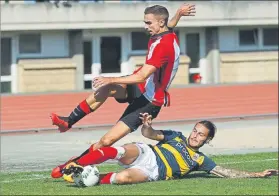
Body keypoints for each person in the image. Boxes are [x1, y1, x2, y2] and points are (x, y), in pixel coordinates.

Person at [51, 3, 196, 178]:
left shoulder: (163, 45)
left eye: (149, 23)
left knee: (107, 141)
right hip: (142, 87)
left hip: (149, 101)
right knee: (107, 89)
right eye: (145, 22)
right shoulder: (165, 32)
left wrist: (110, 78)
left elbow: (142, 75)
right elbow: (171, 25)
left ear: (160, 22)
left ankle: (73, 164)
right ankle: (69, 121)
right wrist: (179, 14)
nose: (145, 26)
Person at [60, 113, 278, 185]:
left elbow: (225, 172)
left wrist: (256, 174)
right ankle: (77, 164)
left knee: (124, 178)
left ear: (207, 140)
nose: (195, 135)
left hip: (153, 172)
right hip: (148, 153)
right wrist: (146, 125)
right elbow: (150, 135)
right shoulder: (177, 136)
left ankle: (88, 178)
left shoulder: (200, 161)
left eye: (200, 134)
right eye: (195, 130)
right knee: (119, 151)